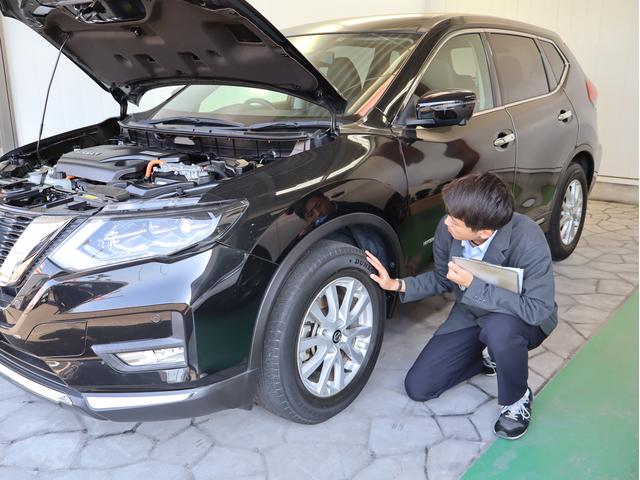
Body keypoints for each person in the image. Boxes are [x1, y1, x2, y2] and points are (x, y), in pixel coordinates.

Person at [365, 172, 557, 440]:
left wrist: (474, 284)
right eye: (449, 215)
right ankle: (486, 361)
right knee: (419, 387)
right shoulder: (448, 229)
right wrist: (396, 285)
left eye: (455, 221)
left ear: (485, 231)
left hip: (520, 319)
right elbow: (443, 279)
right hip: (471, 312)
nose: (446, 223)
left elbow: (537, 308)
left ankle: (517, 400)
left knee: (499, 330)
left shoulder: (527, 237)